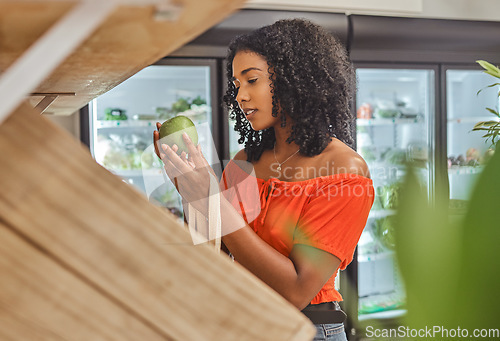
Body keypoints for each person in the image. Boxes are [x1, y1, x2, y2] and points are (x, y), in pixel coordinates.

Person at [154, 18, 374, 341]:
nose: (240, 96)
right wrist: (190, 190)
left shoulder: (344, 170)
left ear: (293, 80)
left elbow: (297, 289)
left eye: (251, 80)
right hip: (247, 323)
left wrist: (213, 199)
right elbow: (214, 252)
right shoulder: (246, 162)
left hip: (308, 330)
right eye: (236, 84)